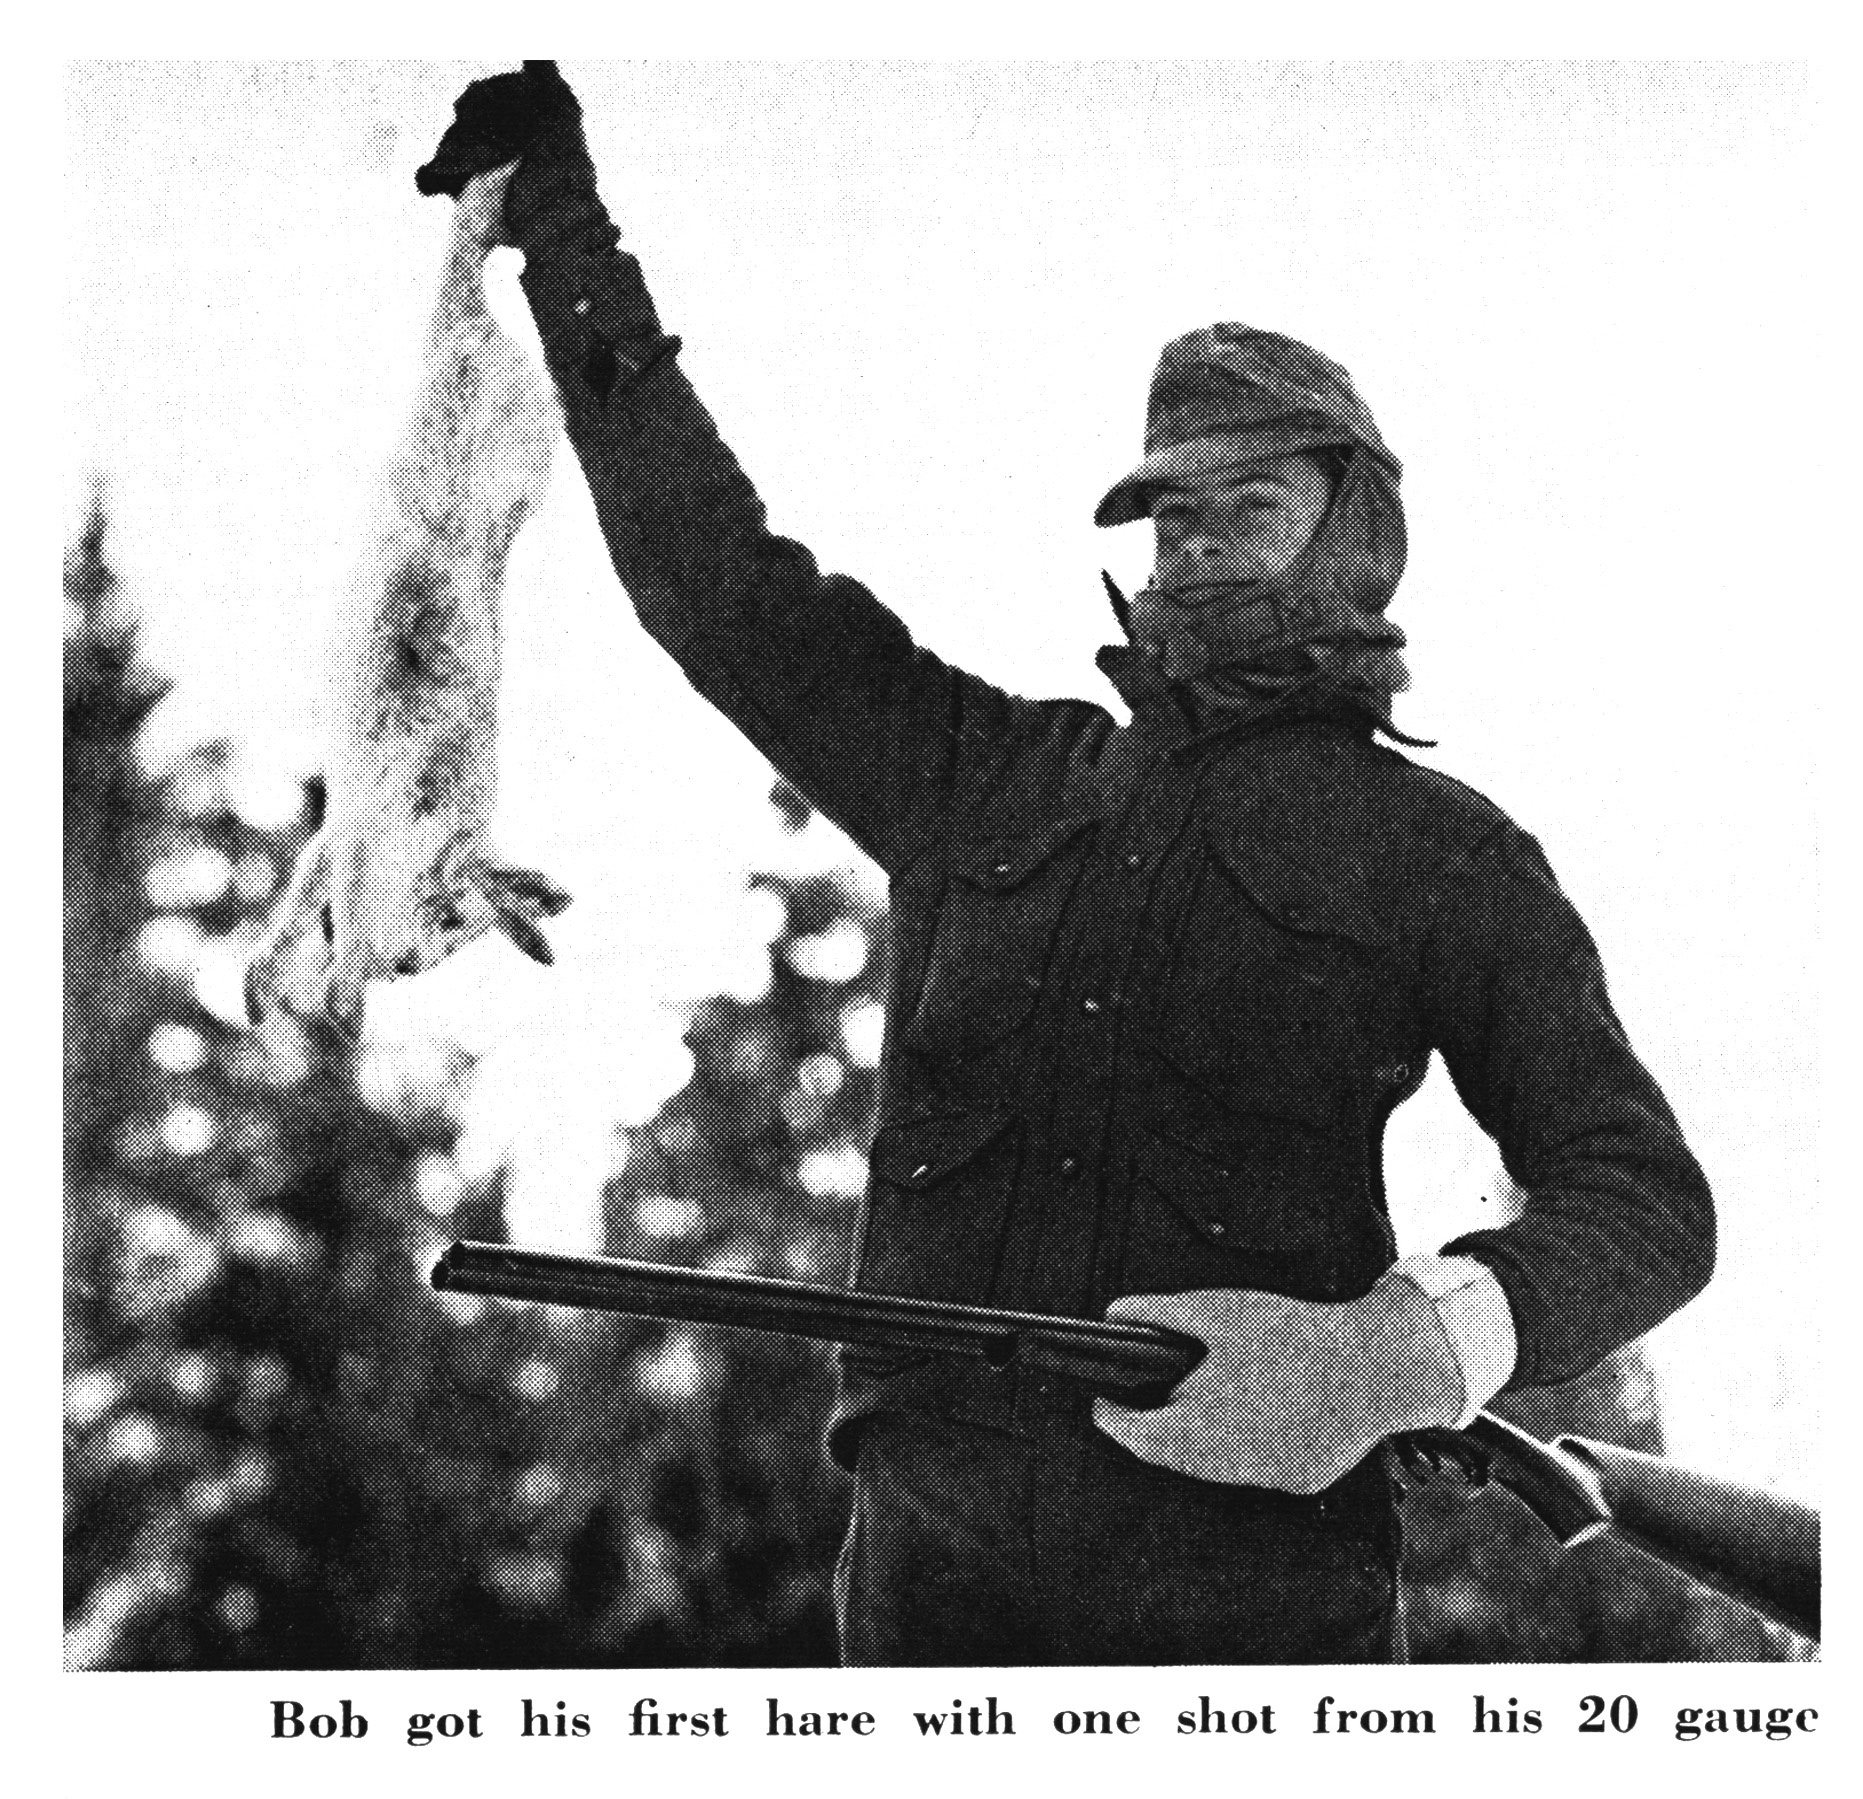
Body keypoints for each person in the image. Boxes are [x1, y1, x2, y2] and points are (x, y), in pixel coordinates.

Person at [418, 62, 1715, 1665]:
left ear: (1356, 528)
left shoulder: (1442, 856)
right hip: (922, 1630)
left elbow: (1645, 1200)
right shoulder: (984, 779)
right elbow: (718, 585)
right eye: (1166, 510)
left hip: (1256, 1649)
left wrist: (1398, 1358)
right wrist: (562, 229)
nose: (1193, 538)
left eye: (1249, 498)